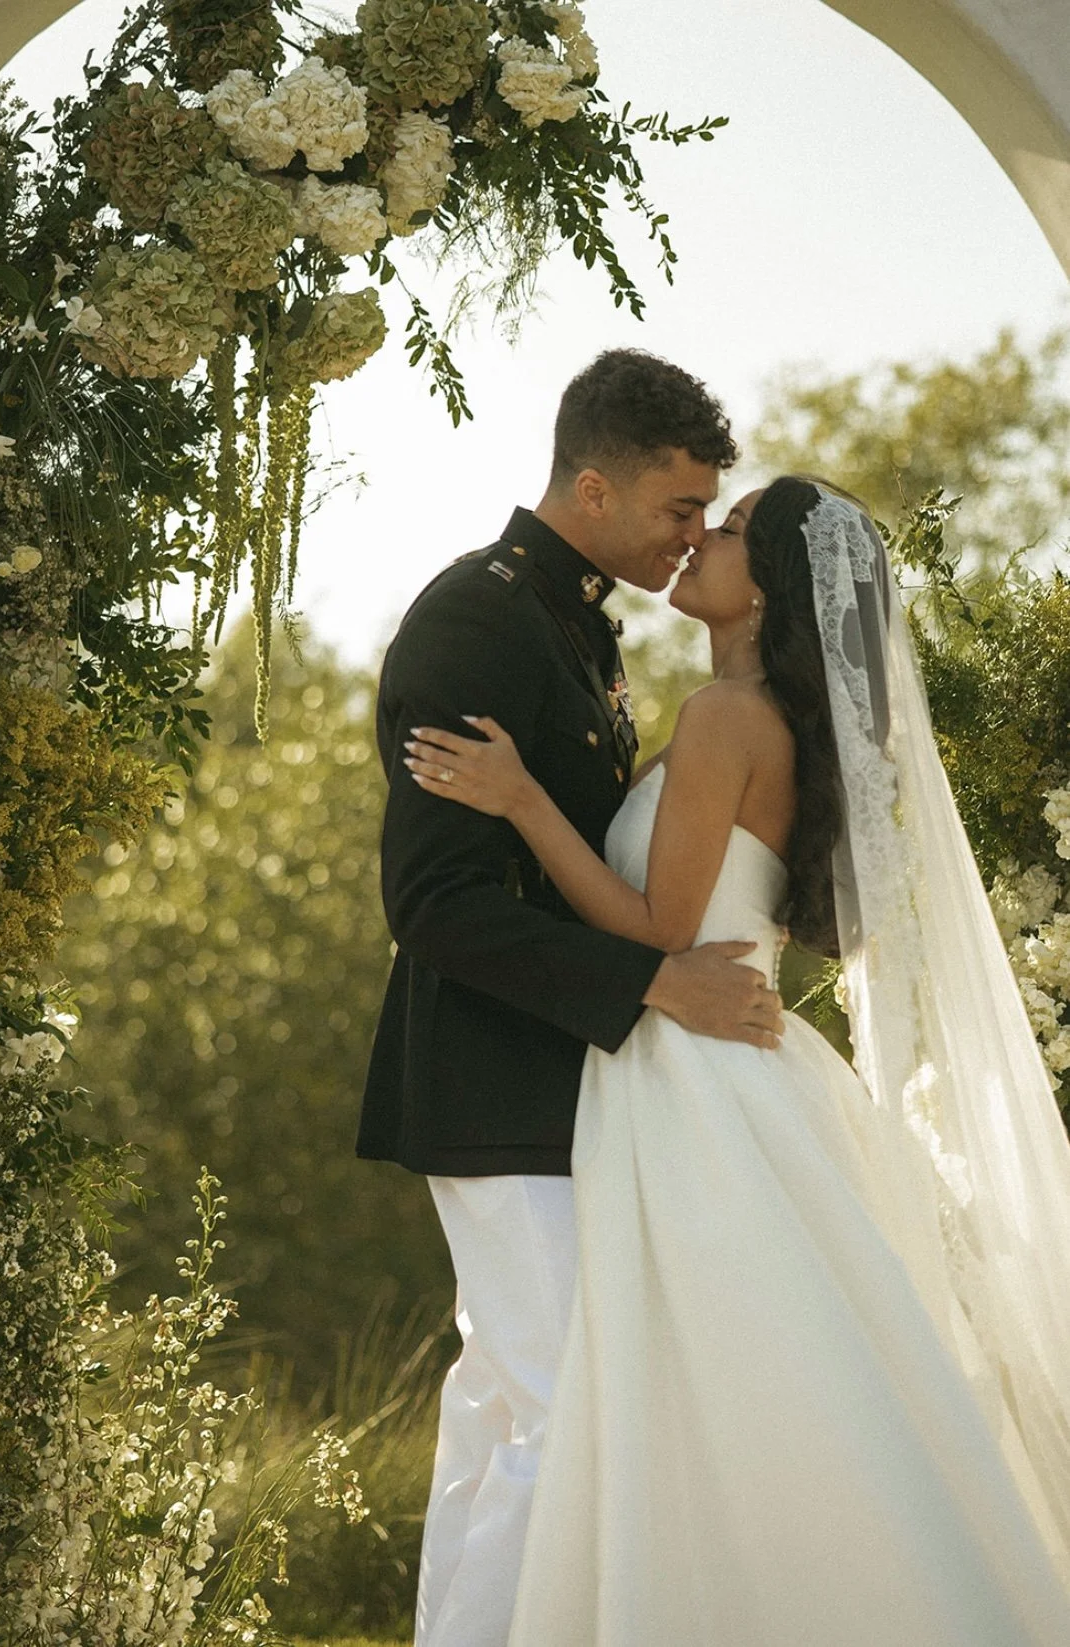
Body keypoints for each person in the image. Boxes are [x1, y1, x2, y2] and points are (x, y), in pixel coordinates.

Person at [405, 476, 1070, 1644]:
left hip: (689, 1076)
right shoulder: (738, 713)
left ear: (774, 584)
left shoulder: (727, 721)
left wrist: (518, 801)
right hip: (709, 1064)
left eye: (729, 526)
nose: (698, 540)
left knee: (696, 1390)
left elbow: (657, 925)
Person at [356, 350, 785, 1647]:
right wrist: (656, 976)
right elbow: (432, 900)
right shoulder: (475, 618)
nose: (692, 535)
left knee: (505, 1407)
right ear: (591, 486)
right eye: (676, 508)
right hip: (491, 1083)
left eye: (709, 514)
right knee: (557, 1411)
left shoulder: (572, 615)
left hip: (562, 1082)